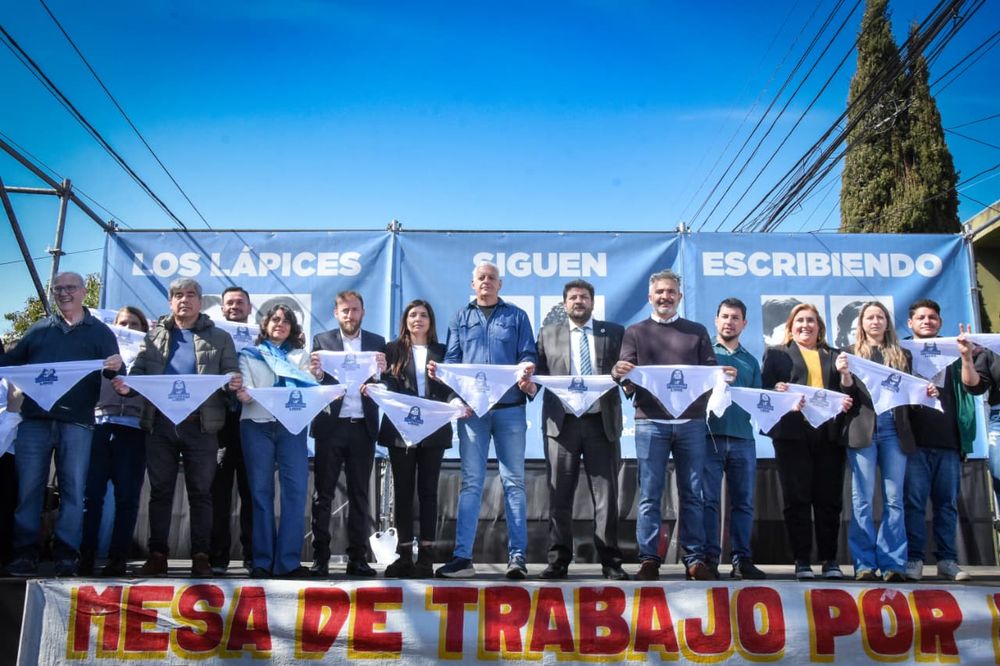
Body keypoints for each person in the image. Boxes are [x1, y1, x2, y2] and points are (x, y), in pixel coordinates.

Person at [115, 278, 241, 578]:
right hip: (160, 425)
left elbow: (229, 372)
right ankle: (157, 555)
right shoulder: (154, 337)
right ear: (171, 303)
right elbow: (140, 375)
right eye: (178, 296)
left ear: (200, 302)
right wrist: (126, 387)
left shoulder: (221, 338)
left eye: (191, 295)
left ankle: (201, 556)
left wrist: (233, 381)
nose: (185, 300)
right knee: (160, 493)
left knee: (201, 493)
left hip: (201, 426)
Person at [1, 272, 123, 577]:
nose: (63, 293)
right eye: (57, 289)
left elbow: (115, 375)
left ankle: (67, 555)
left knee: (73, 491)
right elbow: (10, 364)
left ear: (84, 292)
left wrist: (118, 368)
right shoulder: (38, 329)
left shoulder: (101, 332)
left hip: (78, 423)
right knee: (29, 490)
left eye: (70, 288)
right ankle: (24, 554)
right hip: (34, 422)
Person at [613, 269, 724, 582]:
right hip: (650, 422)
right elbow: (626, 373)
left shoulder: (697, 331)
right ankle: (649, 559)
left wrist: (722, 375)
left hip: (691, 423)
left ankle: (694, 559)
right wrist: (620, 372)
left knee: (693, 493)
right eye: (659, 292)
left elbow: (711, 371)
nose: (665, 296)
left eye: (670, 292)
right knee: (649, 493)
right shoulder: (635, 331)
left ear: (679, 297)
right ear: (650, 297)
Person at [431, 262, 537, 579]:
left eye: (491, 278)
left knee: (514, 483)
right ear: (473, 283)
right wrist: (451, 391)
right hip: (473, 412)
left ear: (500, 284)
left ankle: (517, 558)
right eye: (481, 278)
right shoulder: (460, 318)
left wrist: (528, 368)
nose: (486, 282)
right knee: (471, 484)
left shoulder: (517, 316)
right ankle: (462, 558)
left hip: (510, 409)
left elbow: (528, 353)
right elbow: (452, 362)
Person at [521, 279, 627, 581]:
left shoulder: (614, 333)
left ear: (592, 302)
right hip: (561, 425)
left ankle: (610, 561)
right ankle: (558, 561)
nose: (578, 301)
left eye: (583, 297)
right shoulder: (547, 334)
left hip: (601, 423)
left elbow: (625, 373)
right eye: (572, 297)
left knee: (606, 495)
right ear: (564, 303)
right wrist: (528, 387)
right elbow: (536, 377)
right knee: (559, 496)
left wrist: (627, 379)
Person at [836, 301, 935, 582]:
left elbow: (911, 394)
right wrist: (844, 373)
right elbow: (844, 392)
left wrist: (925, 391)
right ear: (861, 323)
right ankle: (864, 564)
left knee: (894, 501)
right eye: (870, 317)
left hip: (894, 430)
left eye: (880, 317)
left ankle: (893, 563)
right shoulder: (850, 354)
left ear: (887, 323)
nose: (876, 322)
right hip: (863, 431)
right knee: (862, 501)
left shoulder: (902, 354)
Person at [761, 303, 852, 580]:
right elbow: (765, 392)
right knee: (797, 499)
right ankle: (802, 560)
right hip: (792, 435)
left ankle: (830, 559)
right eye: (799, 320)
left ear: (820, 327)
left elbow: (847, 391)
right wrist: (778, 392)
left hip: (828, 435)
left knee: (829, 500)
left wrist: (846, 388)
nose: (805, 325)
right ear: (791, 326)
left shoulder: (835, 355)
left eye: (811, 321)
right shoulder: (776, 354)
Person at [236, 304, 326, 579]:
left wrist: (318, 376)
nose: (280, 324)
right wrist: (244, 393)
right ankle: (262, 561)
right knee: (261, 494)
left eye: (286, 321)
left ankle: (288, 562)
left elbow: (310, 386)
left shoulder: (300, 356)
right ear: (264, 324)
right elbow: (247, 391)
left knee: (295, 494)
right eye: (275, 319)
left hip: (292, 427)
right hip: (256, 426)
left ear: (293, 328)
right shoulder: (249, 355)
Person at [373, 300, 459, 578]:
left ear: (431, 321)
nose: (418, 319)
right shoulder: (392, 349)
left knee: (428, 492)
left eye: (423, 315)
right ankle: (403, 556)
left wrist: (456, 400)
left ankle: (426, 556)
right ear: (405, 321)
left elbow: (449, 387)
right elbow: (388, 381)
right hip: (401, 429)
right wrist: (379, 387)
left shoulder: (443, 352)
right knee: (403, 491)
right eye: (413, 315)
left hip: (434, 429)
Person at [903, 299, 987, 581]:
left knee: (946, 503)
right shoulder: (900, 351)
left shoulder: (956, 350)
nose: (927, 321)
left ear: (940, 322)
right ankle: (914, 559)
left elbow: (972, 387)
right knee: (913, 503)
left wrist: (965, 357)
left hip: (949, 441)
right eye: (921, 317)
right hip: (913, 441)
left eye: (933, 317)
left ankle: (947, 560)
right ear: (910, 323)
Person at [309, 290, 386, 578]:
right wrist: (315, 373)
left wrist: (381, 374)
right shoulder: (322, 341)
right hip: (331, 426)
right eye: (345, 311)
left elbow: (385, 382)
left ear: (363, 312)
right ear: (336, 314)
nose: (350, 316)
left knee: (360, 495)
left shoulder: (378, 343)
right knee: (323, 495)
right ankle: (321, 558)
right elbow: (315, 381)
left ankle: (358, 559)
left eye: (355, 310)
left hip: (362, 427)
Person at [79, 306, 149, 577]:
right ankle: (86, 555)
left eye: (134, 324)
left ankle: (118, 558)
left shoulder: (150, 356)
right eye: (122, 323)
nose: (128, 328)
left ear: (143, 330)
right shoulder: (101, 351)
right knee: (92, 496)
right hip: (100, 427)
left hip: (134, 430)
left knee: (127, 499)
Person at [704, 298, 766, 580]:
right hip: (709, 437)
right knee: (709, 501)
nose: (729, 321)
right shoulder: (703, 355)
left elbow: (758, 403)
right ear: (716, 320)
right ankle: (708, 559)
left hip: (743, 438)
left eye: (735, 317)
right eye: (724, 316)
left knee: (743, 502)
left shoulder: (751, 361)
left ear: (744, 324)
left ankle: (742, 560)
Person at [210, 286, 254, 573]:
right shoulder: (210, 338)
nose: (235, 306)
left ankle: (252, 555)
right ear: (222, 308)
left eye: (240, 303)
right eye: (230, 303)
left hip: (252, 423)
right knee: (219, 494)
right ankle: (217, 558)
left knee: (252, 494)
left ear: (250, 309)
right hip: (219, 424)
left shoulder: (262, 339)